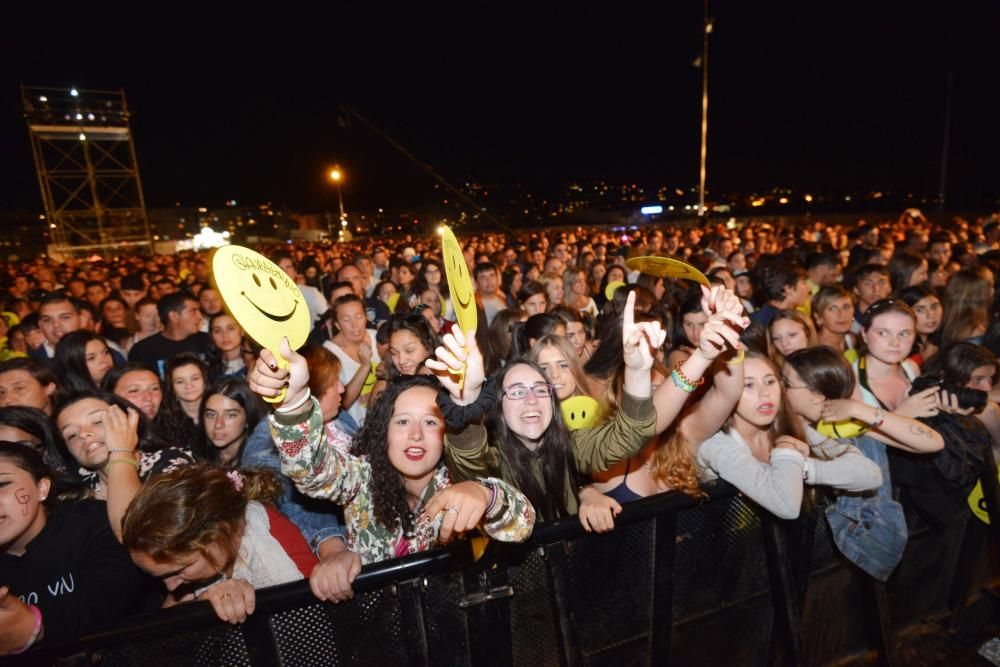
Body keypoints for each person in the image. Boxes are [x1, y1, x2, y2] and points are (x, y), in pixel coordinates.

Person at [248, 348, 536, 575]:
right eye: (402, 421)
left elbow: (522, 523)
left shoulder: (456, 484)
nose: (415, 434)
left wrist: (485, 495)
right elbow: (312, 472)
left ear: (446, 431)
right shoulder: (362, 476)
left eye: (430, 422)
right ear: (383, 430)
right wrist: (294, 402)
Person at [430, 291, 665, 519]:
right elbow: (469, 465)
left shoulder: (572, 444)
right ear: (500, 409)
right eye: (517, 391)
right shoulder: (495, 459)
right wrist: (466, 400)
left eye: (541, 390)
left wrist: (637, 372)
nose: (531, 400)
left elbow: (630, 434)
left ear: (552, 404)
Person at [695, 352, 882, 519]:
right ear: (725, 392)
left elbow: (871, 475)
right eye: (748, 385)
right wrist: (787, 454)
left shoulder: (786, 425)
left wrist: (803, 467)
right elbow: (786, 506)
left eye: (770, 381)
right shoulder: (715, 444)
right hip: (729, 550)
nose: (765, 392)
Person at [122, 465, 316, 624]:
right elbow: (160, 640)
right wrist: (201, 606)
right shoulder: (190, 566)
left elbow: (319, 627)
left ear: (220, 533)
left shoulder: (276, 548)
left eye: (179, 570)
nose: (171, 587)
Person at [0, 443, 145, 655]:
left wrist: (37, 625)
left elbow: (113, 590)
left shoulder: (90, 521)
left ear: (42, 488)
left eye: (2, 483)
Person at [54, 391, 193, 538]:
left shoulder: (171, 462)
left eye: (97, 421)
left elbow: (138, 535)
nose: (83, 434)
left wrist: (120, 451)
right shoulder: (71, 491)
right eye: (72, 435)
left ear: (128, 422)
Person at [322, 294, 380, 430]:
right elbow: (342, 404)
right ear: (337, 324)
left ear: (366, 317)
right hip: (355, 431)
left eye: (358, 317)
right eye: (346, 320)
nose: (355, 325)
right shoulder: (329, 353)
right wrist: (365, 366)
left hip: (385, 424)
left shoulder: (377, 337)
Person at [128, 292, 211, 378]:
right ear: (174, 316)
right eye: (193, 311)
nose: (200, 316)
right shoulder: (143, 350)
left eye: (199, 311)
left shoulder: (208, 341)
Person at [53, 330, 118, 394]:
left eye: (106, 352)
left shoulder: (120, 387)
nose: (104, 360)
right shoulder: (79, 402)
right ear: (73, 366)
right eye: (91, 358)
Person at [899, 286, 943, 368]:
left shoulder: (945, 340)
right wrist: (921, 359)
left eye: (934, 307)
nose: (930, 315)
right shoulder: (899, 344)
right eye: (920, 310)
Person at [811, 286, 858, 362]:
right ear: (818, 317)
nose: (842, 314)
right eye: (832, 309)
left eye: (846, 307)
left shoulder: (851, 340)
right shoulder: (816, 351)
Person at [206, 312, 255, 379]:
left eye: (230, 328)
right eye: (217, 331)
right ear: (211, 335)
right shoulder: (206, 369)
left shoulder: (257, 363)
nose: (225, 335)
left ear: (242, 331)